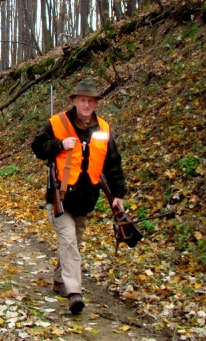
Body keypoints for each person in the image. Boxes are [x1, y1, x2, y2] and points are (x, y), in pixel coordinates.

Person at [31, 78, 127, 315]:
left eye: (91, 101)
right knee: (69, 242)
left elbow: (112, 164)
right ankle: (75, 293)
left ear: (96, 104)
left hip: (86, 198)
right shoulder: (57, 123)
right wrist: (59, 144)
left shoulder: (103, 129)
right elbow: (37, 147)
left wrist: (118, 194)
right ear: (74, 101)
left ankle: (59, 280)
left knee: (74, 242)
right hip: (60, 198)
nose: (87, 104)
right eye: (83, 100)